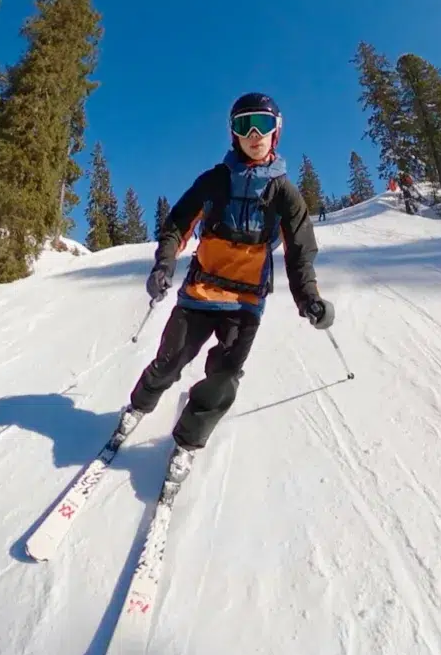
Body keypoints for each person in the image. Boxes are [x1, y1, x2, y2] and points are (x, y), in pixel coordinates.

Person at [117, 92, 335, 480]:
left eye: (263, 125)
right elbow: (177, 224)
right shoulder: (215, 181)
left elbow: (301, 250)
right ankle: (139, 405)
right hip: (201, 293)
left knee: (224, 376)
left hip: (246, 301)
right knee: (170, 360)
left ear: (276, 132)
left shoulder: (283, 193)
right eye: (244, 125)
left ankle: (187, 441)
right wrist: (164, 265)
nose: (254, 134)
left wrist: (309, 299)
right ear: (233, 134)